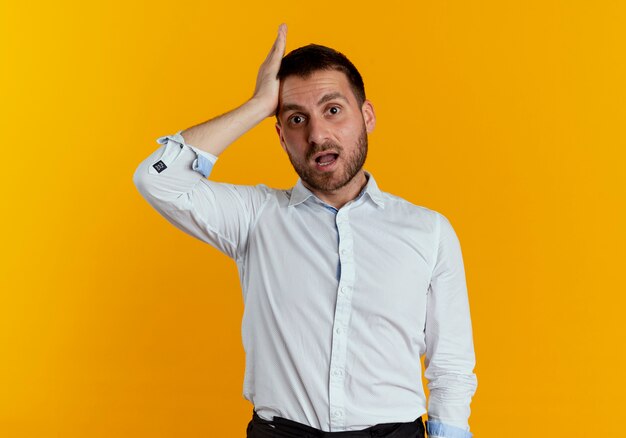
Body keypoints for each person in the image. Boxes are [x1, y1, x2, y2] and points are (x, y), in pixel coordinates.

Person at [133, 24, 477, 438]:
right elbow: (157, 178)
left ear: (366, 116)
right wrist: (259, 104)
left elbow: (451, 366)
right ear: (281, 135)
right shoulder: (255, 217)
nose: (317, 135)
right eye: (297, 119)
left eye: (333, 110)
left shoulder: (429, 231)